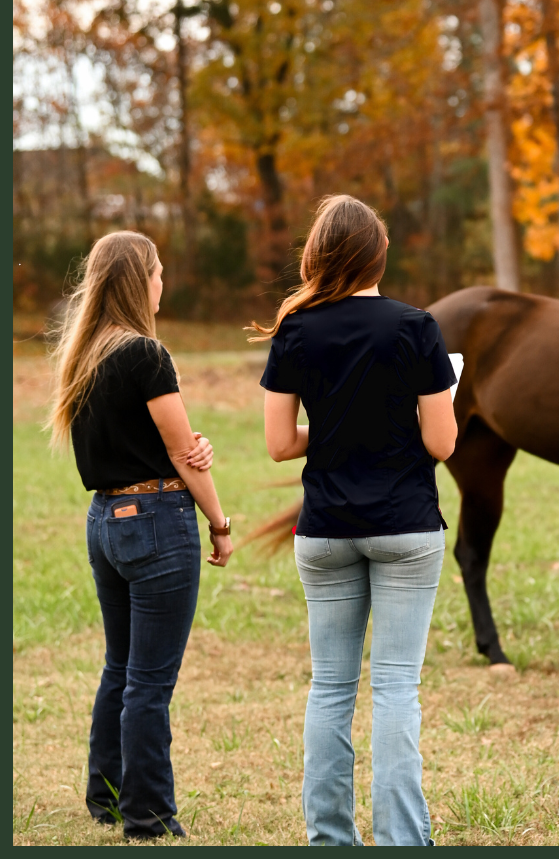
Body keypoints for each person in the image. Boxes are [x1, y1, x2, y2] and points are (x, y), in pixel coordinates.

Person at [253, 195, 457, 847]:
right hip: (406, 526)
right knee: (396, 688)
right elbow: (442, 443)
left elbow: (279, 444)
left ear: (317, 254)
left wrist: (343, 426)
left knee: (330, 689)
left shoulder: (295, 329)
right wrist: (393, 420)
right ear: (379, 254)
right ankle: (401, 840)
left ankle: (331, 839)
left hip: (325, 530)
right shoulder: (416, 327)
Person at [48, 231, 233, 839]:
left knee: (120, 667)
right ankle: (149, 817)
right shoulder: (146, 355)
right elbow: (182, 453)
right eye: (157, 272)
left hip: (104, 521)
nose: (162, 283)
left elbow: (161, 441)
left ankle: (106, 798)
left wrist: (190, 447)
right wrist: (219, 522)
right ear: (138, 281)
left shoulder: (84, 354)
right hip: (155, 521)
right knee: (149, 682)